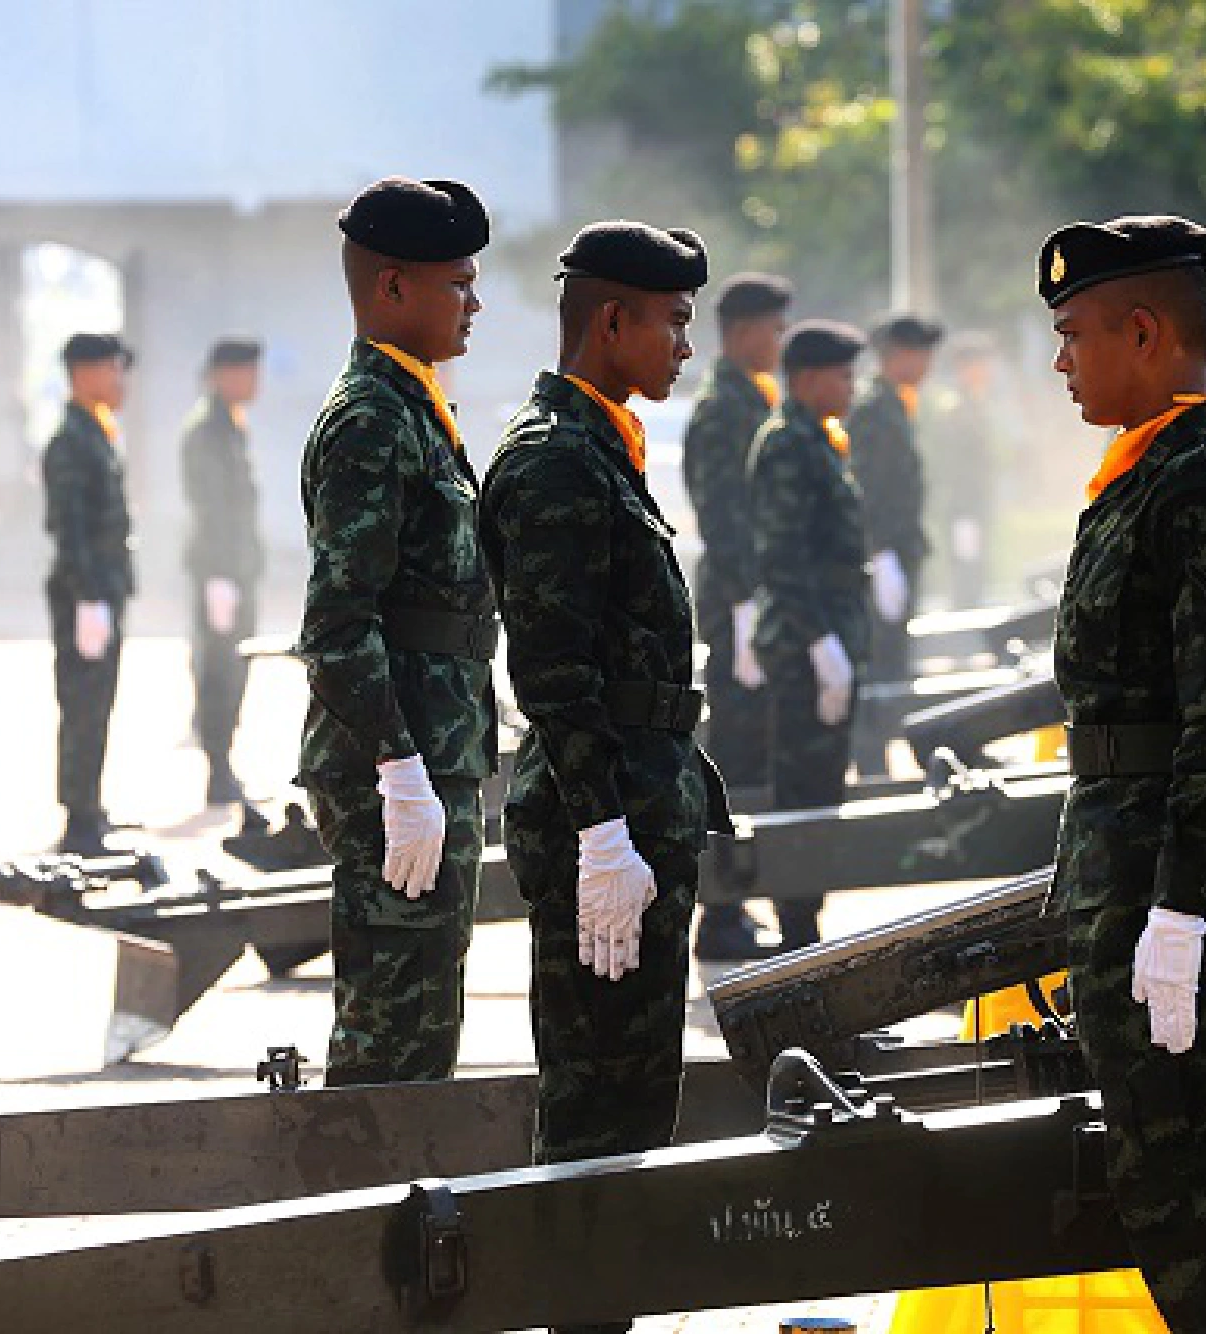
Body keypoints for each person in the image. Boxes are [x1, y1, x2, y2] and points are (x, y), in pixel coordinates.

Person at [1041, 214, 1206, 1332]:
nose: (1060, 360)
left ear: (1142, 332)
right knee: (1167, 1188)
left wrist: (1180, 906)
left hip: (1165, 878)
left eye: (1073, 333)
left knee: (1193, 1198)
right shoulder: (1148, 476)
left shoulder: (1198, 491)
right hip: (1133, 867)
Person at [479, 221, 728, 1334]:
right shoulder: (554, 460)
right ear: (611, 320)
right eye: (672, 322)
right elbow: (551, 667)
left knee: (631, 1107)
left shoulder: (599, 447)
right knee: (595, 1114)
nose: (684, 345)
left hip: (633, 805)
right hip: (606, 818)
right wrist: (601, 833)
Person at [296, 177, 496, 1086]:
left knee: (423, 1023)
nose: (473, 303)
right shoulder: (373, 421)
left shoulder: (413, 406)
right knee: (389, 1039)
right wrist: (397, 766)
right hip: (396, 761)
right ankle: (354, 1176)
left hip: (430, 746)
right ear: (392, 287)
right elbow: (337, 623)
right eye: (457, 284)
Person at [746, 320, 871, 951]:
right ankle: (796, 932)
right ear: (807, 378)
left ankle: (805, 926)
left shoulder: (817, 437)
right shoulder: (788, 443)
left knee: (823, 787)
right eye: (842, 375)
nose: (851, 387)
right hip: (805, 644)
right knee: (801, 789)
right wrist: (819, 641)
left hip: (828, 633)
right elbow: (783, 556)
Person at [680, 271, 792, 962]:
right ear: (744, 331)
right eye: (774, 329)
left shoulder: (752, 398)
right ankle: (719, 913)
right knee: (736, 760)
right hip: (737, 605)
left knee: (756, 754)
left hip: (755, 603)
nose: (780, 341)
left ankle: (734, 902)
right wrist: (746, 607)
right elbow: (722, 517)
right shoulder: (723, 409)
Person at [42, 332, 136, 858]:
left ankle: (90, 807)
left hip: (103, 589)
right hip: (86, 594)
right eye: (112, 369)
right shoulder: (70, 441)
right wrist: (88, 598)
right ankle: (77, 821)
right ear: (83, 373)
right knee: (82, 702)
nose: (120, 380)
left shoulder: (96, 431)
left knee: (98, 701)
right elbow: (69, 528)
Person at [181, 336, 266, 808]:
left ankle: (223, 763)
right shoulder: (206, 431)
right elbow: (210, 507)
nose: (254, 381)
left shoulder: (230, 425)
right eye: (246, 371)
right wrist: (218, 575)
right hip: (221, 571)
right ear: (221, 375)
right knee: (219, 669)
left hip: (237, 569)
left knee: (234, 668)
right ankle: (217, 767)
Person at [847, 313, 941, 684]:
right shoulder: (873, 408)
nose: (927, 364)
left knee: (895, 654)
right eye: (921, 354)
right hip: (885, 551)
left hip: (900, 547)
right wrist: (880, 552)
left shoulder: (895, 403)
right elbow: (868, 486)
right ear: (898, 354)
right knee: (883, 660)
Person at [926, 330, 1003, 609]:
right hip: (963, 504)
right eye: (979, 364)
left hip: (977, 501)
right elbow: (951, 461)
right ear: (963, 368)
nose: (986, 371)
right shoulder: (956, 407)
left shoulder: (977, 403)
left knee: (976, 564)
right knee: (966, 566)